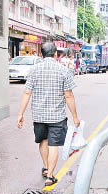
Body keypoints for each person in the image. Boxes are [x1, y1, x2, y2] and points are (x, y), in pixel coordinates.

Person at [17, 42, 80, 186]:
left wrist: (21, 113)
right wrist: (75, 116)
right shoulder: (63, 70)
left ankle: (46, 167)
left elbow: (27, 92)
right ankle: (50, 176)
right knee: (53, 145)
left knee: (43, 141)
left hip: (39, 115)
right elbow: (69, 95)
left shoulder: (34, 70)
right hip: (57, 116)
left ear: (41, 54)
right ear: (56, 54)